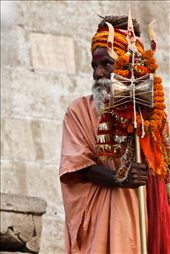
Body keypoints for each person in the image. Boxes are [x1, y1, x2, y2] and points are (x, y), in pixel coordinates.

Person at [59, 14, 170, 254]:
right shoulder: (78, 111)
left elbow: (165, 171)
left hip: (146, 217)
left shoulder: (151, 113)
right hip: (105, 217)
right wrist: (121, 178)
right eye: (94, 66)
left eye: (106, 64)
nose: (98, 73)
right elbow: (78, 166)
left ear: (126, 65)